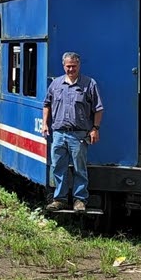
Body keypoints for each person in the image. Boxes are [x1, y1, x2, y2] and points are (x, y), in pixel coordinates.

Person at [40, 51, 104, 212]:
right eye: (68, 66)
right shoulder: (55, 84)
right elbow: (46, 104)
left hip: (79, 134)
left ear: (79, 65)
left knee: (79, 168)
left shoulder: (89, 84)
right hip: (59, 134)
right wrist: (45, 124)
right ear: (64, 66)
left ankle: (79, 200)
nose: (70, 69)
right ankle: (59, 199)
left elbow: (98, 108)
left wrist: (95, 128)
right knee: (58, 167)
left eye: (73, 66)